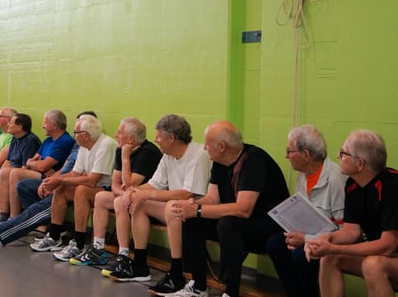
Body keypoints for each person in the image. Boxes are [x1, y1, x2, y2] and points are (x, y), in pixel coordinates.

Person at [164, 120, 289, 297]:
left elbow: (244, 209)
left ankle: (230, 291)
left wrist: (198, 210)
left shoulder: (254, 161)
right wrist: (191, 206)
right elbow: (212, 199)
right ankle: (198, 285)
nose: (205, 148)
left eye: (208, 143)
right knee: (192, 219)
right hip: (241, 222)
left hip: (268, 224)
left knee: (228, 224)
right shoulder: (219, 161)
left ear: (222, 146)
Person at [0, 111, 97, 247]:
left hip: (74, 189)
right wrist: (51, 181)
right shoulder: (79, 147)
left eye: (78, 130)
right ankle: (53, 229)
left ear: (87, 132)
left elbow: (88, 178)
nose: (74, 133)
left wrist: (57, 182)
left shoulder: (96, 146)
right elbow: (69, 171)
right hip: (64, 184)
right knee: (25, 188)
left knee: (37, 209)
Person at [108, 114, 211, 283]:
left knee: (172, 206)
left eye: (159, 136)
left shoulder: (198, 154)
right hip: (175, 208)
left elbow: (187, 193)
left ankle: (177, 272)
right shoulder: (167, 155)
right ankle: (140, 265)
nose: (155, 139)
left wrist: (145, 194)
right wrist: (133, 192)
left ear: (172, 138)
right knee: (135, 202)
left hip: (197, 211)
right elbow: (154, 184)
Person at [304, 130, 398, 297]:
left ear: (360, 163)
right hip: (389, 257)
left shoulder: (392, 186)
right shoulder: (352, 185)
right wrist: (326, 239)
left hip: (390, 255)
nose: (338, 156)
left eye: (343, 153)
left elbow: (388, 246)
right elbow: (351, 231)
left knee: (373, 264)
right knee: (330, 257)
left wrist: (333, 247)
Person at [69, 117, 162, 267]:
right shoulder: (120, 148)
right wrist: (123, 193)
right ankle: (98, 249)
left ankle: (123, 254)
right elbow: (115, 183)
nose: (116, 135)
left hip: (147, 199)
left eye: (119, 133)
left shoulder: (148, 152)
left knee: (119, 202)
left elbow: (129, 183)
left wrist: (125, 157)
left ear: (131, 139)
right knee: (101, 197)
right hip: (128, 196)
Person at [266, 125, 346, 297]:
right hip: (308, 235)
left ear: (306, 155)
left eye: (289, 151)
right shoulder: (302, 175)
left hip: (331, 239)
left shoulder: (335, 179)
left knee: (301, 255)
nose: (286, 156)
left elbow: (343, 228)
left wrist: (306, 239)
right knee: (275, 244)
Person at [29, 114, 117, 262]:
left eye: (76, 132)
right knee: (60, 188)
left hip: (108, 189)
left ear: (86, 135)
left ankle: (79, 243)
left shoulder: (106, 145)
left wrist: (60, 180)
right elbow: (74, 173)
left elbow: (93, 180)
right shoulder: (84, 146)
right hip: (94, 187)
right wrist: (54, 181)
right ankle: (54, 236)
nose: (74, 135)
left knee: (81, 190)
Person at [0, 109, 75, 220]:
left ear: (54, 125)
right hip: (42, 173)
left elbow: (41, 166)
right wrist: (35, 163)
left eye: (45, 123)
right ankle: (3, 214)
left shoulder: (65, 141)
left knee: (15, 173)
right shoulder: (48, 140)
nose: (43, 126)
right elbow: (32, 161)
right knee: (5, 172)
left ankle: (14, 217)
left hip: (53, 177)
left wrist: (36, 163)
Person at [0, 113, 43, 222]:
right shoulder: (14, 138)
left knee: (12, 174)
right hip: (13, 170)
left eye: (11, 123)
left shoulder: (30, 140)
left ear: (19, 127)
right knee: (3, 173)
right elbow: (8, 161)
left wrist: (7, 175)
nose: (8, 124)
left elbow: (26, 167)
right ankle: (2, 214)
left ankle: (14, 216)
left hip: (26, 172)